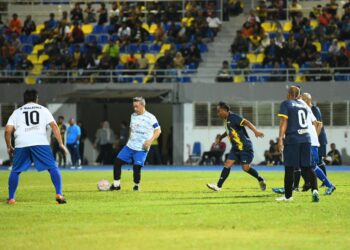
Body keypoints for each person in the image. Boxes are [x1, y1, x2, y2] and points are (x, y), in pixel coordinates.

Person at [4, 89, 67, 204]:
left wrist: (9, 146)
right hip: (40, 142)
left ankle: (11, 198)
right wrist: (61, 143)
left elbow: (8, 131)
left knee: (15, 171)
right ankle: (59, 193)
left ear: (24, 99)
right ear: (36, 99)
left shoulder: (17, 112)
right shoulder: (43, 110)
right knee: (52, 167)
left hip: (21, 143)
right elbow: (54, 126)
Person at [272, 93, 336, 196]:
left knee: (311, 165)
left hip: (309, 141)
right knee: (298, 165)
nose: (298, 99)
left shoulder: (311, 108)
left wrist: (313, 138)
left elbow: (318, 124)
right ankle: (292, 187)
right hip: (305, 140)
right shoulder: (303, 108)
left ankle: (329, 185)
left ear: (305, 99)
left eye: (301, 97)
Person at [206, 102, 266, 192]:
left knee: (245, 168)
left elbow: (246, 122)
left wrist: (256, 131)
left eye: (219, 111)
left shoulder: (234, 117)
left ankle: (260, 178)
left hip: (245, 147)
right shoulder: (226, 120)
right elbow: (228, 131)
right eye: (217, 112)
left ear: (225, 110)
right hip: (235, 148)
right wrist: (221, 138)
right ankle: (218, 186)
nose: (218, 113)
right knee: (228, 163)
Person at [276, 86, 319, 202]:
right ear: (299, 95)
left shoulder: (286, 104)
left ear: (289, 94)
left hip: (293, 139)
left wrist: (280, 139)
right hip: (306, 139)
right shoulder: (304, 106)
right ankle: (315, 190)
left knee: (289, 168)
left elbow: (284, 121)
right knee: (307, 167)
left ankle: (288, 196)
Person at [110, 97, 161, 191]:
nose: (135, 109)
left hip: (141, 148)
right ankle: (116, 185)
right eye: (134, 106)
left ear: (142, 105)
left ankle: (136, 185)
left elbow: (158, 131)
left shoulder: (151, 117)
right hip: (129, 146)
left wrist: (150, 141)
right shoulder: (133, 115)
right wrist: (129, 139)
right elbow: (131, 128)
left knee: (136, 167)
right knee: (117, 163)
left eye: (137, 106)